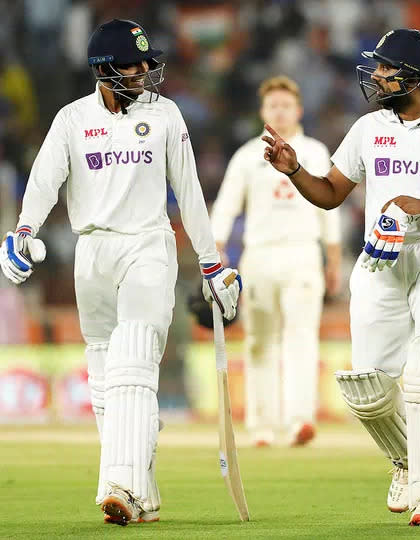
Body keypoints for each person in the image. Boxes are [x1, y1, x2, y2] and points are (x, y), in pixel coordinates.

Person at [0, 19, 242, 525]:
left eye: (146, 62)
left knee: (134, 359)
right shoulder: (72, 119)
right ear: (104, 70)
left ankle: (119, 486)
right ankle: (143, 493)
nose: (145, 71)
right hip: (93, 252)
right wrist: (23, 231)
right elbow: (45, 181)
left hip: (148, 246)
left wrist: (211, 259)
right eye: (133, 65)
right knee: (106, 377)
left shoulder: (166, 115)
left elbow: (190, 191)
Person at [261, 28, 420, 526]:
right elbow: (330, 193)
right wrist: (293, 169)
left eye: (387, 68)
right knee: (368, 386)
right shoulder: (370, 128)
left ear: (414, 75)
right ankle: (408, 461)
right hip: (381, 258)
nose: (377, 76)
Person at [209, 75, 342, 448]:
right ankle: (262, 424)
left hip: (302, 253)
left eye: (286, 105)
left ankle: (299, 419)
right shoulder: (248, 155)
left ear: (298, 109)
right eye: (273, 106)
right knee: (259, 341)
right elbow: (226, 206)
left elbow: (330, 209)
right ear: (262, 111)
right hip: (260, 256)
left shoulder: (314, 152)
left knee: (301, 336)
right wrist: (215, 250)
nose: (280, 112)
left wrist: (333, 259)